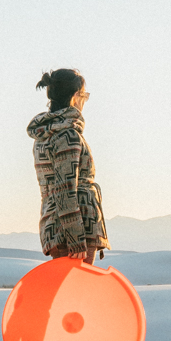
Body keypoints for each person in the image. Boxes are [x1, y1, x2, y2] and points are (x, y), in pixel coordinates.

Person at [28, 68, 109, 264]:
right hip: (74, 230)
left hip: (55, 226)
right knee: (78, 291)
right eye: (84, 95)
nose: (84, 101)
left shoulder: (46, 133)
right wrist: (75, 238)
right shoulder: (68, 135)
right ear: (75, 97)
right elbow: (64, 188)